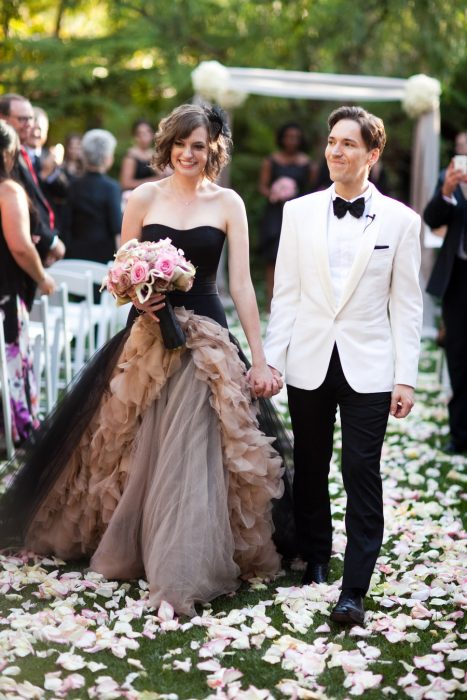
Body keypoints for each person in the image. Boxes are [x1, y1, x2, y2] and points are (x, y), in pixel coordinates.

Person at [0, 104, 292, 617]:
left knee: (194, 445)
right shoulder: (142, 197)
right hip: (147, 334)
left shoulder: (229, 204)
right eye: (181, 143)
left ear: (213, 149)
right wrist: (138, 296)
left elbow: (242, 285)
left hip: (206, 339)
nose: (188, 153)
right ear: (168, 146)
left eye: (198, 145)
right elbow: (122, 266)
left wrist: (260, 359)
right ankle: (134, 542)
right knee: (130, 444)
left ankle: (181, 563)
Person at [264, 105, 423, 626]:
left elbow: (406, 305)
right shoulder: (299, 212)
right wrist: (271, 360)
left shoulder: (402, 221)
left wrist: (405, 376)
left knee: (361, 470)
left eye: (348, 143)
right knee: (309, 465)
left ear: (372, 154)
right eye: (332, 141)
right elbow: (285, 293)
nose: (335, 150)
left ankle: (354, 587)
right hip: (310, 358)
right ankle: (315, 558)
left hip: (370, 365)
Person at [0, 120, 56, 445]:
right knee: (9, 358)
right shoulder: (7, 190)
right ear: (8, 154)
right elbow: (20, 246)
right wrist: (43, 278)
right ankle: (16, 430)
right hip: (5, 291)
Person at [424, 130, 467, 455]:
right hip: (459, 280)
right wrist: (448, 190)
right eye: (459, 149)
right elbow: (432, 218)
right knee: (459, 356)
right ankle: (459, 434)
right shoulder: (447, 179)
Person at [0, 94, 66, 267]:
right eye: (22, 119)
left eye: (31, 118)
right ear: (2, 118)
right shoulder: (6, 157)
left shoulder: (20, 152)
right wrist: (50, 242)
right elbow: (25, 206)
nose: (29, 124)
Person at [258, 122, 314, 308]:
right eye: (288, 136)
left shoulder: (307, 164)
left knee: (299, 256)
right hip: (275, 213)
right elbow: (262, 187)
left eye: (296, 137)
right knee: (272, 257)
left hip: (299, 214)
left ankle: (295, 301)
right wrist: (276, 193)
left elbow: (313, 190)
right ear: (282, 138)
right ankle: (270, 301)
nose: (292, 140)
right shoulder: (271, 161)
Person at [64, 129, 122, 266]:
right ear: (107, 157)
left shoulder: (73, 185)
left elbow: (66, 222)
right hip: (103, 257)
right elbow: (116, 228)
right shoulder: (111, 187)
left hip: (74, 255)